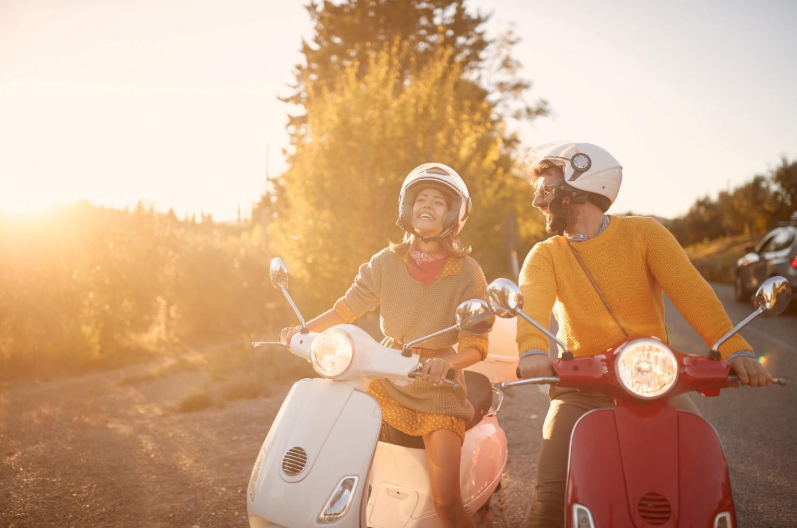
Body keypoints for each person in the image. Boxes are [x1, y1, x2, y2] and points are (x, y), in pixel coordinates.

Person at [516, 141, 772, 528]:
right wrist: (532, 351)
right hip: (579, 390)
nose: (539, 202)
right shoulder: (546, 254)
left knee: (705, 483)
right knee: (549, 504)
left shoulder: (644, 233)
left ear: (580, 189)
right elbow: (531, 304)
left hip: (654, 385)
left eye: (548, 190)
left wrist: (736, 348)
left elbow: (693, 291)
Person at [280, 163, 488, 528]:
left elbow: (477, 341)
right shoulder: (386, 262)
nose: (427, 205)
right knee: (337, 464)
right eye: (420, 198)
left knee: (447, 503)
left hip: (438, 388)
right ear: (407, 208)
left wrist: (449, 364)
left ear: (454, 214)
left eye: (438, 202)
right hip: (385, 376)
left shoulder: (468, 271)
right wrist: (300, 330)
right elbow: (346, 308)